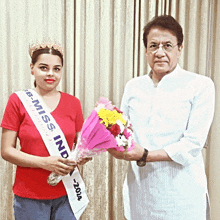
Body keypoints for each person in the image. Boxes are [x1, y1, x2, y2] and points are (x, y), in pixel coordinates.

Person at [108, 15, 215, 220]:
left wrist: (145, 155)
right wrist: (113, 146)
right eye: (153, 45)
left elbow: (192, 144)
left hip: (182, 193)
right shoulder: (133, 86)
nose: (160, 52)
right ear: (146, 50)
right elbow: (123, 133)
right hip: (141, 191)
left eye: (167, 45)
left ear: (179, 48)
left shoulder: (200, 85)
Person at [1, 43, 90, 219]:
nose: (51, 73)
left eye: (56, 69)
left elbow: (80, 145)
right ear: (32, 68)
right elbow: (6, 151)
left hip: (68, 192)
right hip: (30, 196)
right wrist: (44, 162)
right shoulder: (18, 100)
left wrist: (84, 154)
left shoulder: (73, 103)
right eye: (44, 68)